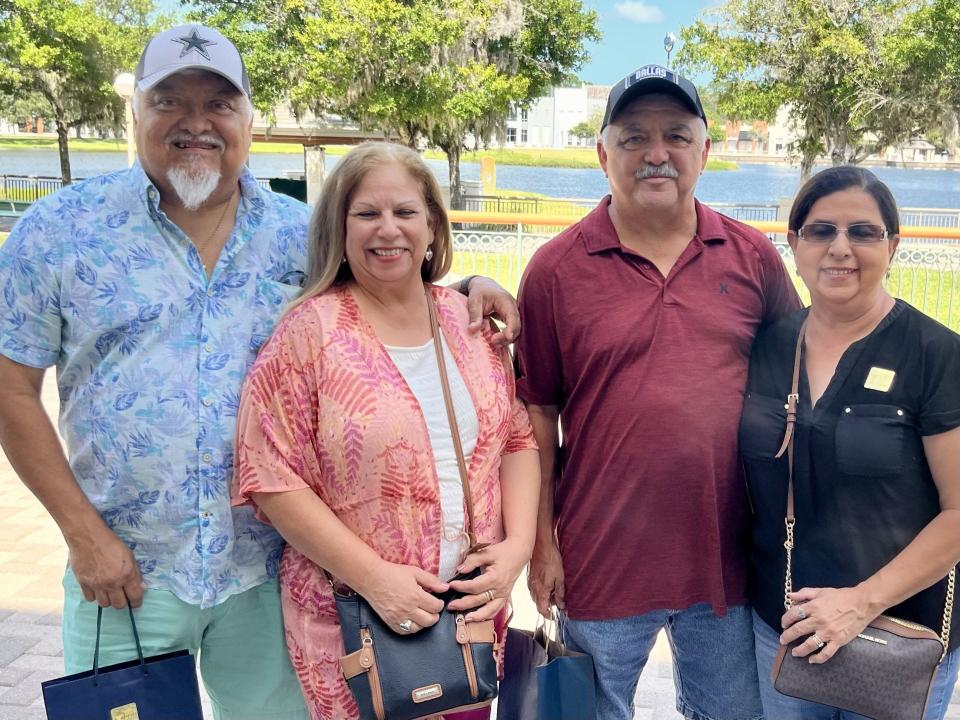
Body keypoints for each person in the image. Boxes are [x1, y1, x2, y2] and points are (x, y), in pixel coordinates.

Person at [0, 24, 518, 719]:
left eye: (218, 103)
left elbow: (386, 282)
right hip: (126, 576)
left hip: (268, 577)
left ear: (248, 118)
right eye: (169, 102)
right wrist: (82, 536)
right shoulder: (59, 231)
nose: (195, 123)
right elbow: (12, 388)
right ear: (136, 113)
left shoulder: (299, 233)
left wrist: (468, 286)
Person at [514, 63, 801, 720]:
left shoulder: (751, 256)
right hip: (599, 558)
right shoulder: (555, 269)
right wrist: (541, 543)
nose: (656, 154)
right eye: (634, 137)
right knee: (587, 713)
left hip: (728, 560)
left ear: (705, 150)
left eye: (676, 135)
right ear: (602, 155)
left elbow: (797, 378)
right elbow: (536, 414)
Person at [230, 141, 540, 720]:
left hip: (469, 619)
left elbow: (517, 440)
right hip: (356, 629)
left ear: (431, 226)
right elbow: (269, 478)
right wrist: (376, 580)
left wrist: (516, 549)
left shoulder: (468, 320)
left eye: (405, 212)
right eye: (366, 213)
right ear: (339, 229)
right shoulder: (310, 333)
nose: (387, 230)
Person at [741, 166, 960, 719]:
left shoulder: (936, 355)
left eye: (863, 232)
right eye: (821, 231)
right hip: (784, 627)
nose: (841, 248)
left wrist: (860, 604)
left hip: (898, 635)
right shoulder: (769, 346)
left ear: (893, 245)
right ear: (793, 244)